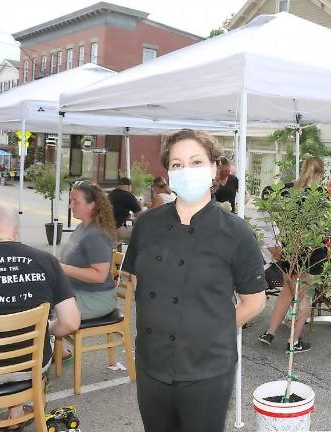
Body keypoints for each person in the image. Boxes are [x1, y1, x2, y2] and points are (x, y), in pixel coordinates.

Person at [122, 129, 266, 432]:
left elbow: (255, 302)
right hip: (152, 365)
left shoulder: (236, 233)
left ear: (214, 168)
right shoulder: (147, 225)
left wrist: (210, 332)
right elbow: (136, 281)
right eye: (176, 164)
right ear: (169, 173)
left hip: (207, 368)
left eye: (196, 162)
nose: (186, 170)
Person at [0, 206, 80, 428]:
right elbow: (71, 322)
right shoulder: (46, 260)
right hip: (30, 369)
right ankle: (16, 413)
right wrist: (47, 327)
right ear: (16, 232)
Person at [258, 157, 327, 353]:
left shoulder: (286, 189)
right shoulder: (319, 194)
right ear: (319, 175)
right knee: (304, 296)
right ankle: (293, 341)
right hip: (311, 252)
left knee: (288, 291)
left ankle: (270, 332)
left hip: (290, 249)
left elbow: (267, 194)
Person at [60, 180, 117, 320]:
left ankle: (48, 337)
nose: (70, 206)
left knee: (43, 317)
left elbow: (99, 276)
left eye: (75, 202)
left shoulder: (97, 234)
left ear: (92, 204)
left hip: (96, 298)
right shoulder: (81, 228)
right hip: (76, 291)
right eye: (70, 201)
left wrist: (62, 268)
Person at [108, 177, 142, 242]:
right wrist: (139, 205)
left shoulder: (111, 194)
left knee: (130, 222)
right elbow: (140, 215)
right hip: (120, 227)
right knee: (140, 229)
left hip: (108, 227)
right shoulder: (128, 195)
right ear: (129, 186)